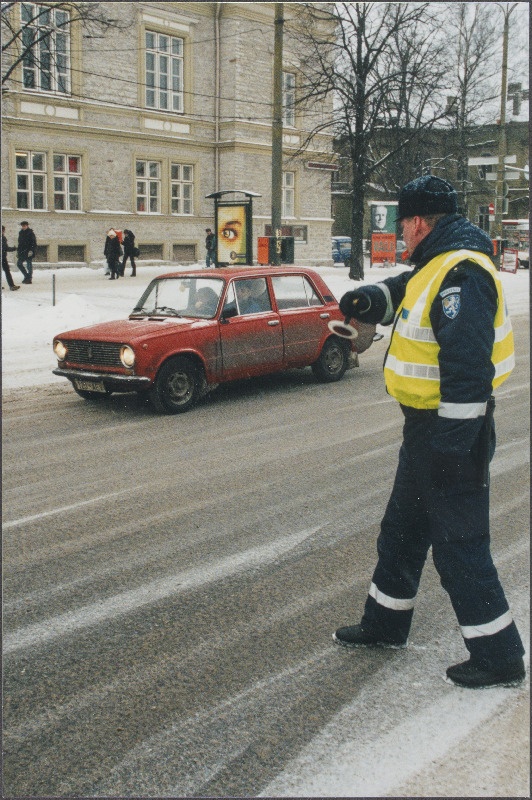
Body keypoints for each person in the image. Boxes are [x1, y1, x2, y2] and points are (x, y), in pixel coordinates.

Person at [334, 175, 525, 689]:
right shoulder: (437, 263)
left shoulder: (463, 274)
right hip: (424, 429)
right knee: (401, 531)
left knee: (459, 544)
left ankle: (499, 655)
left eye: (403, 224)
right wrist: (369, 299)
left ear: (419, 222)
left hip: (453, 430)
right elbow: (405, 289)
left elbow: (468, 371)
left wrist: (451, 445)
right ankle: (385, 624)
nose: (401, 233)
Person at [2, 226, 20, 290]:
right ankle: (11, 286)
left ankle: (12, 285)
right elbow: (5, 248)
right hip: (2, 257)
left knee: (7, 271)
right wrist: (14, 248)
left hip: (3, 257)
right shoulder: (3, 238)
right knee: (7, 271)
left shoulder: (3, 238)